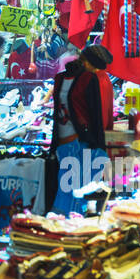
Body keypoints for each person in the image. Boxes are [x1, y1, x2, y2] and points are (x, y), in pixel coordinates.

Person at [50, 44, 115, 215]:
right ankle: (73, 218)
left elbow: (97, 115)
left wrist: (95, 141)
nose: (81, 62)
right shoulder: (100, 78)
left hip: (81, 141)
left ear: (89, 63)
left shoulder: (95, 80)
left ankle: (67, 219)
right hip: (81, 140)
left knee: (73, 188)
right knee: (78, 187)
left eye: (84, 60)